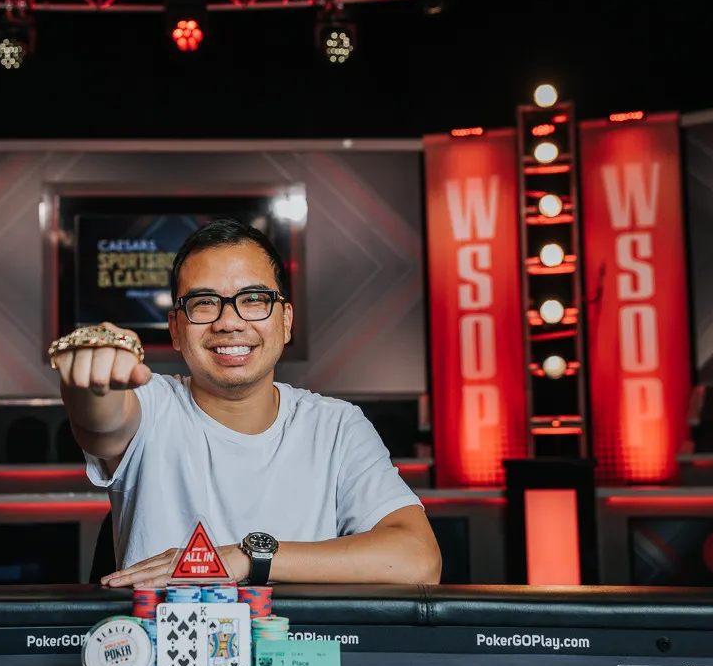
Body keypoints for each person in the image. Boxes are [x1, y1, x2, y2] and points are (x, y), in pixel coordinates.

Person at [48, 218, 441, 589]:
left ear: (285, 321)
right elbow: (102, 419)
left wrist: (247, 558)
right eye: (204, 302)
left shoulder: (337, 427)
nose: (229, 322)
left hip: (296, 640)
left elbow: (419, 559)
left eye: (253, 299)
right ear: (175, 329)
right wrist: (93, 375)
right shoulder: (152, 405)